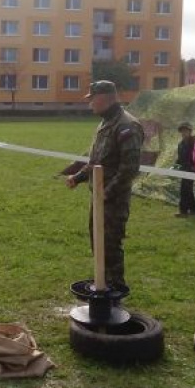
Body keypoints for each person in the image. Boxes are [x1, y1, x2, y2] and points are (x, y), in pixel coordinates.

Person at [66, 80, 144, 290]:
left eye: (92, 99)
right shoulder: (105, 124)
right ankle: (102, 282)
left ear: (103, 98)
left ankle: (115, 290)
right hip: (100, 198)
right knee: (97, 241)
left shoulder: (127, 126)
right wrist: (78, 177)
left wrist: (106, 194)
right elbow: (96, 161)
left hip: (114, 199)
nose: (90, 103)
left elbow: (129, 169)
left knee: (110, 244)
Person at [174, 122, 195, 218]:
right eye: (182, 131)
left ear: (190, 131)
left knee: (185, 190)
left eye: (185, 131)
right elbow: (180, 158)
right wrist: (175, 167)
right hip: (184, 169)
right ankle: (193, 209)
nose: (183, 133)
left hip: (192, 169)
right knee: (188, 190)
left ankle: (183, 211)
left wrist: (194, 166)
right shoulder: (181, 144)